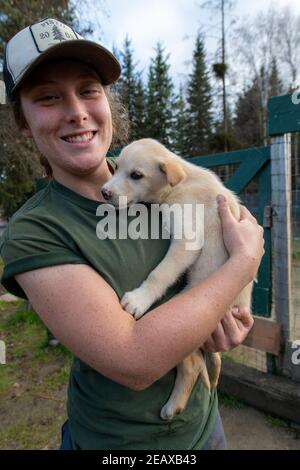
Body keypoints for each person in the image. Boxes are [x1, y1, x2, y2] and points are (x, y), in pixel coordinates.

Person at [0, 18, 264, 451]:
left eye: (88, 90)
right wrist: (243, 264)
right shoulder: (36, 231)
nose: (76, 111)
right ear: (24, 123)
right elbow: (133, 360)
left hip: (206, 429)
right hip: (122, 444)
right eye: (48, 97)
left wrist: (229, 314)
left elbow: (218, 240)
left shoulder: (151, 183)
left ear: (107, 102)